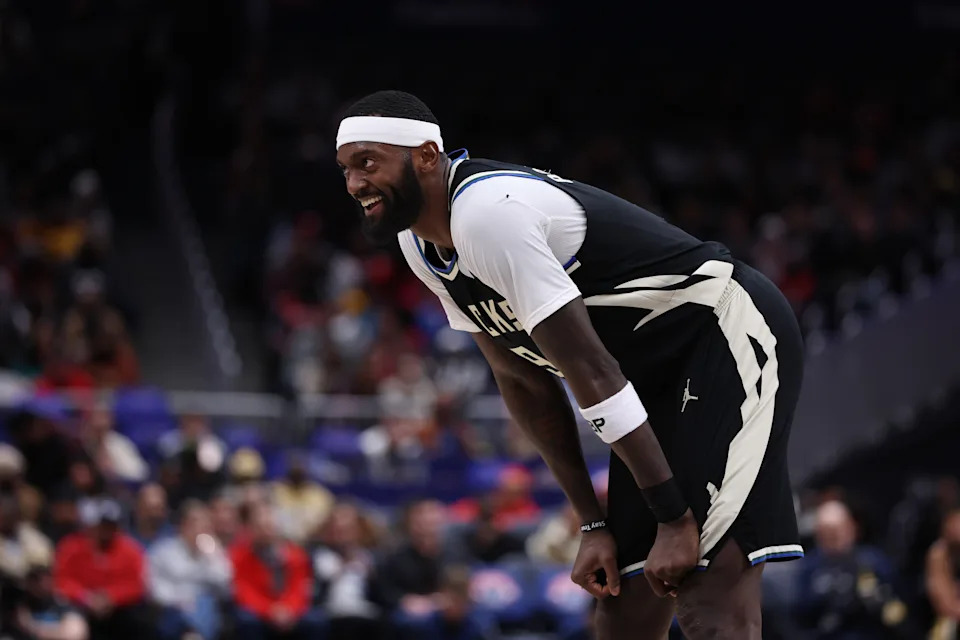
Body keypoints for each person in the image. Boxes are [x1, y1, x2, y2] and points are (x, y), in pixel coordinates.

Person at [334, 90, 807, 640]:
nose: (353, 184)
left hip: (725, 333)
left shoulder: (487, 214)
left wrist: (675, 519)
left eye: (367, 163)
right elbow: (522, 380)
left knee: (709, 595)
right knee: (622, 610)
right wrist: (594, 522)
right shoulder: (420, 247)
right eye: (345, 169)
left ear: (425, 156)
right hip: (652, 379)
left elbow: (591, 369)